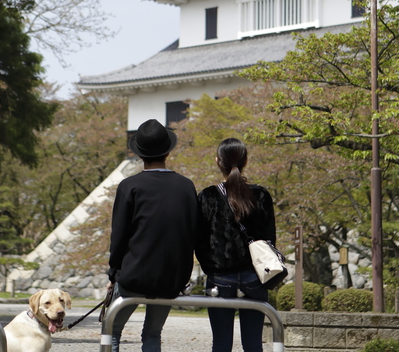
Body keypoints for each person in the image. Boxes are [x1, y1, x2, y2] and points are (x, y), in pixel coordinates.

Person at [107, 118, 197, 352]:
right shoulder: (186, 186)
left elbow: (119, 235)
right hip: (170, 277)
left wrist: (113, 271)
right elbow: (191, 233)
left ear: (139, 154)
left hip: (134, 274)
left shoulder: (129, 186)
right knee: (153, 333)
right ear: (168, 151)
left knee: (112, 332)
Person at [196, 138, 276, 352]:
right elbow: (269, 239)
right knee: (253, 344)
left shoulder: (207, 196)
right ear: (246, 161)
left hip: (219, 277)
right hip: (254, 276)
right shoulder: (260, 195)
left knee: (221, 343)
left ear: (217, 161)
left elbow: (200, 241)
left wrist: (211, 269)